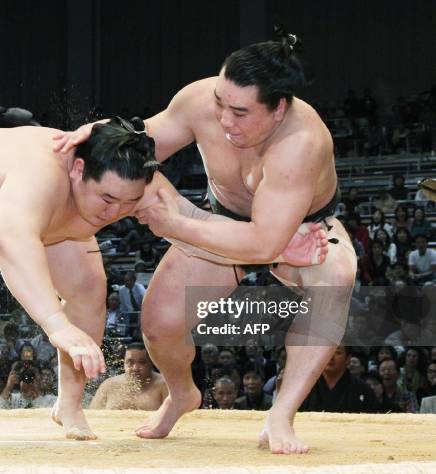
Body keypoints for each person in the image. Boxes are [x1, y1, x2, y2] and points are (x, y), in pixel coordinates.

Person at [0, 99, 325, 439]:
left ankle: (69, 404)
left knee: (90, 285)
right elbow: (11, 243)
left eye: (128, 204)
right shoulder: (40, 176)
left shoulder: (132, 183)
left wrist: (277, 250)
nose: (116, 213)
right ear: (78, 169)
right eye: (107, 199)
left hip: (55, 224)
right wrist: (55, 324)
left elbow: (197, 226)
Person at [55, 33, 355, 453]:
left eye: (239, 112)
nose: (224, 120)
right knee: (158, 325)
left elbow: (262, 243)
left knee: (336, 276)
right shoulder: (199, 101)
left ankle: (282, 413)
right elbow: (143, 144)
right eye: (219, 102)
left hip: (301, 231)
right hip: (222, 222)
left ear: (278, 110)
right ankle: (182, 394)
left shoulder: (301, 144)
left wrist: (174, 222)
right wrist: (106, 137)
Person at [299, 345, 379, 413]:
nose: (331, 357)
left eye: (337, 352)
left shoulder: (362, 390)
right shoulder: (304, 388)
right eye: (326, 352)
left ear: (348, 359)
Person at [89, 342, 168, 410]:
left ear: (152, 363)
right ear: (124, 363)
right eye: (130, 362)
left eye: (142, 362)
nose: (135, 368)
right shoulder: (109, 384)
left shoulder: (164, 385)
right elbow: (92, 414)